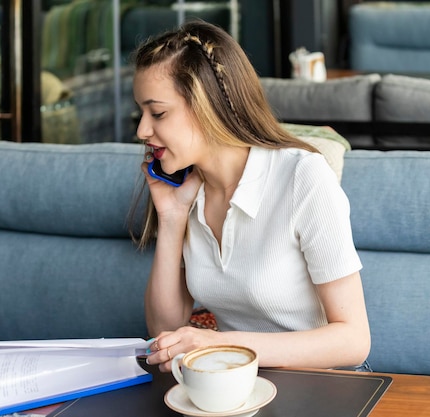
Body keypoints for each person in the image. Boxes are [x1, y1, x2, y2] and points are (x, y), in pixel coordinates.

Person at [130, 20, 371, 373]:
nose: (142, 130)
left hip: (322, 385)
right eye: (141, 112)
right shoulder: (186, 191)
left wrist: (222, 342)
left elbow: (354, 341)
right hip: (235, 382)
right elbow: (164, 331)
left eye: (158, 113)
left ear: (207, 104)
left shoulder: (303, 176)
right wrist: (171, 218)